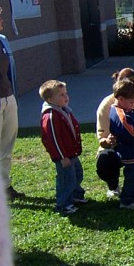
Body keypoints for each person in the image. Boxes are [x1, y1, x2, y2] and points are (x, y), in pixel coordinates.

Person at [96, 68, 134, 198]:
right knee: (106, 159)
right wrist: (109, 141)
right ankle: (118, 190)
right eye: (132, 89)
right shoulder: (108, 106)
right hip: (121, 147)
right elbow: (103, 139)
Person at [39, 80, 86, 215]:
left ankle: (76, 195)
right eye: (61, 95)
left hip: (72, 152)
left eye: (66, 93)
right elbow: (53, 139)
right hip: (63, 156)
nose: (66, 97)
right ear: (50, 99)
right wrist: (61, 157)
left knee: (77, 174)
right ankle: (63, 204)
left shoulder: (64, 110)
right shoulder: (51, 116)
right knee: (66, 179)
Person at [0, 4, 21, 200]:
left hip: (8, 97)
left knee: (7, 145)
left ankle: (5, 185)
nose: (2, 20)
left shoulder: (2, 40)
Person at [109, 80, 134, 210]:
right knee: (132, 177)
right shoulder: (121, 114)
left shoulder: (125, 110)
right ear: (120, 99)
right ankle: (127, 201)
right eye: (130, 102)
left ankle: (133, 195)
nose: (132, 105)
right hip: (130, 153)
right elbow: (130, 132)